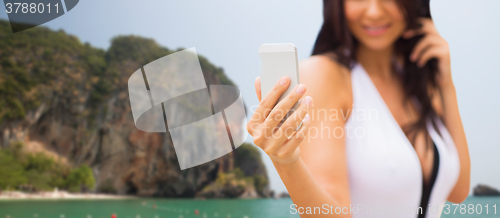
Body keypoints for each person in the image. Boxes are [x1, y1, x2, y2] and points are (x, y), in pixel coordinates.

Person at [247, 0, 470, 217]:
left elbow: (457, 191)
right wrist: (287, 162)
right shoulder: (324, 75)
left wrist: (446, 86)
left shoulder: (420, 82)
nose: (374, 12)